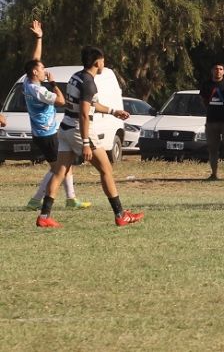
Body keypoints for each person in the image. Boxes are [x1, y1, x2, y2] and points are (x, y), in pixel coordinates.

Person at [36, 46, 143, 228]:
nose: (104, 63)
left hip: (65, 128)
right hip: (79, 130)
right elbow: (84, 114)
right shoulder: (89, 82)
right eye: (102, 60)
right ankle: (120, 215)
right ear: (96, 62)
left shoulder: (77, 76)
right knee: (106, 170)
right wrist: (86, 143)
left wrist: (113, 111)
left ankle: (44, 216)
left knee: (59, 172)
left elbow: (91, 103)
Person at [23, 20, 91, 211]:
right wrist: (53, 84)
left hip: (43, 133)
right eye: (43, 69)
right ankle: (39, 200)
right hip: (47, 134)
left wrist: (39, 38)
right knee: (59, 168)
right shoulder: (39, 91)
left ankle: (68, 199)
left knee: (62, 166)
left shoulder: (28, 82)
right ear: (36, 72)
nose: (45, 70)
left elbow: (34, 61)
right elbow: (61, 102)